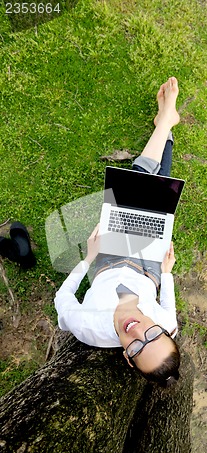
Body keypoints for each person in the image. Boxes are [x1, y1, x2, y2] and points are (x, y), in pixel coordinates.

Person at [54, 77, 181, 388]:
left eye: (137, 348)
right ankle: (165, 124)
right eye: (153, 334)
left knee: (140, 188)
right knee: (151, 194)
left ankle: (166, 123)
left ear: (127, 357)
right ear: (163, 331)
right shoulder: (167, 324)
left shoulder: (88, 328)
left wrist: (88, 259)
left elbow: (63, 297)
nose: (137, 331)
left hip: (107, 260)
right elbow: (168, 309)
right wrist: (167, 275)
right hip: (150, 267)